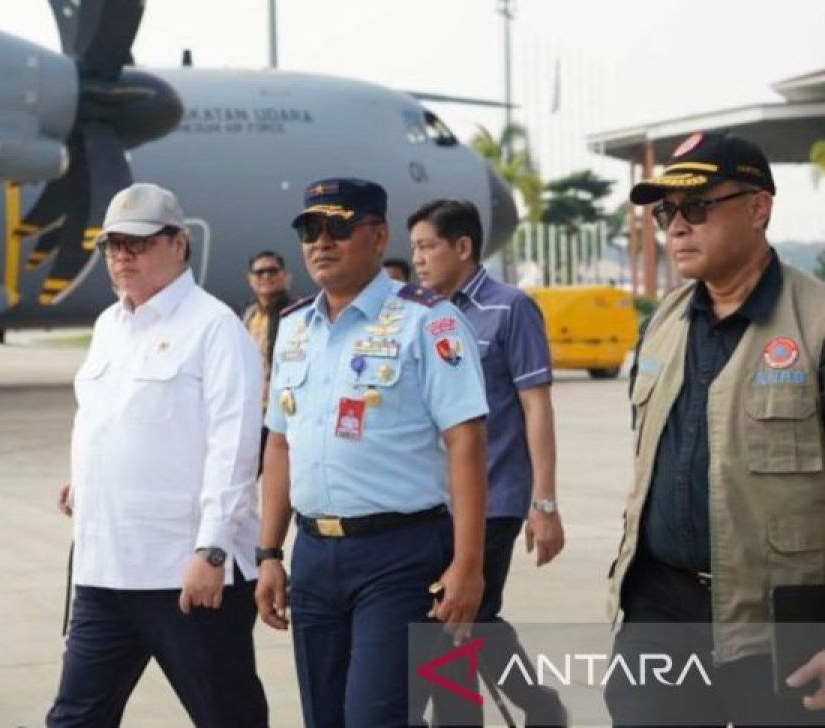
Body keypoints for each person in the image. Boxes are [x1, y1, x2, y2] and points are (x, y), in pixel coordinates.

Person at [605, 132, 825, 725]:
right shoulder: (662, 325)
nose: (677, 226)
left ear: (759, 208)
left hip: (780, 624)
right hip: (661, 608)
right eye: (666, 212)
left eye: (697, 207)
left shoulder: (817, 326)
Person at [254, 177, 490, 727]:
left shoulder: (427, 320)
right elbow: (280, 444)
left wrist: (468, 564)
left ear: (379, 236)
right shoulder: (295, 327)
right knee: (325, 718)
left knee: (375, 718)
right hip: (314, 556)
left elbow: (466, 441)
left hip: (399, 555)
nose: (322, 242)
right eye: (310, 230)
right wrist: (268, 553)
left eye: (338, 228)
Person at [47, 183, 268, 727]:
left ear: (179, 243)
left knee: (226, 715)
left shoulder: (214, 327)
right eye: (112, 245)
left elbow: (234, 449)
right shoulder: (108, 325)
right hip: (105, 570)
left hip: (184, 572)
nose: (122, 256)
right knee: (75, 718)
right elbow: (103, 417)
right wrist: (86, 479)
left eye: (138, 243)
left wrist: (212, 551)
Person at [409, 199, 567, 724]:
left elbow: (536, 406)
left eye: (427, 247)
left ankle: (486, 713)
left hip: (495, 497)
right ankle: (538, 704)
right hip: (435, 502)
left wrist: (544, 503)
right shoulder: (424, 315)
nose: (418, 259)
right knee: (461, 619)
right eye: (414, 249)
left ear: (463, 246)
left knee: (457, 617)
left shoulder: (509, 308)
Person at [241, 250, 292, 457]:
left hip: (281, 408)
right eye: (259, 272)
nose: (265, 276)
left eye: (272, 271)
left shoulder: (294, 313)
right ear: (250, 279)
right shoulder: (250, 314)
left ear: (285, 276)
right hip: (252, 407)